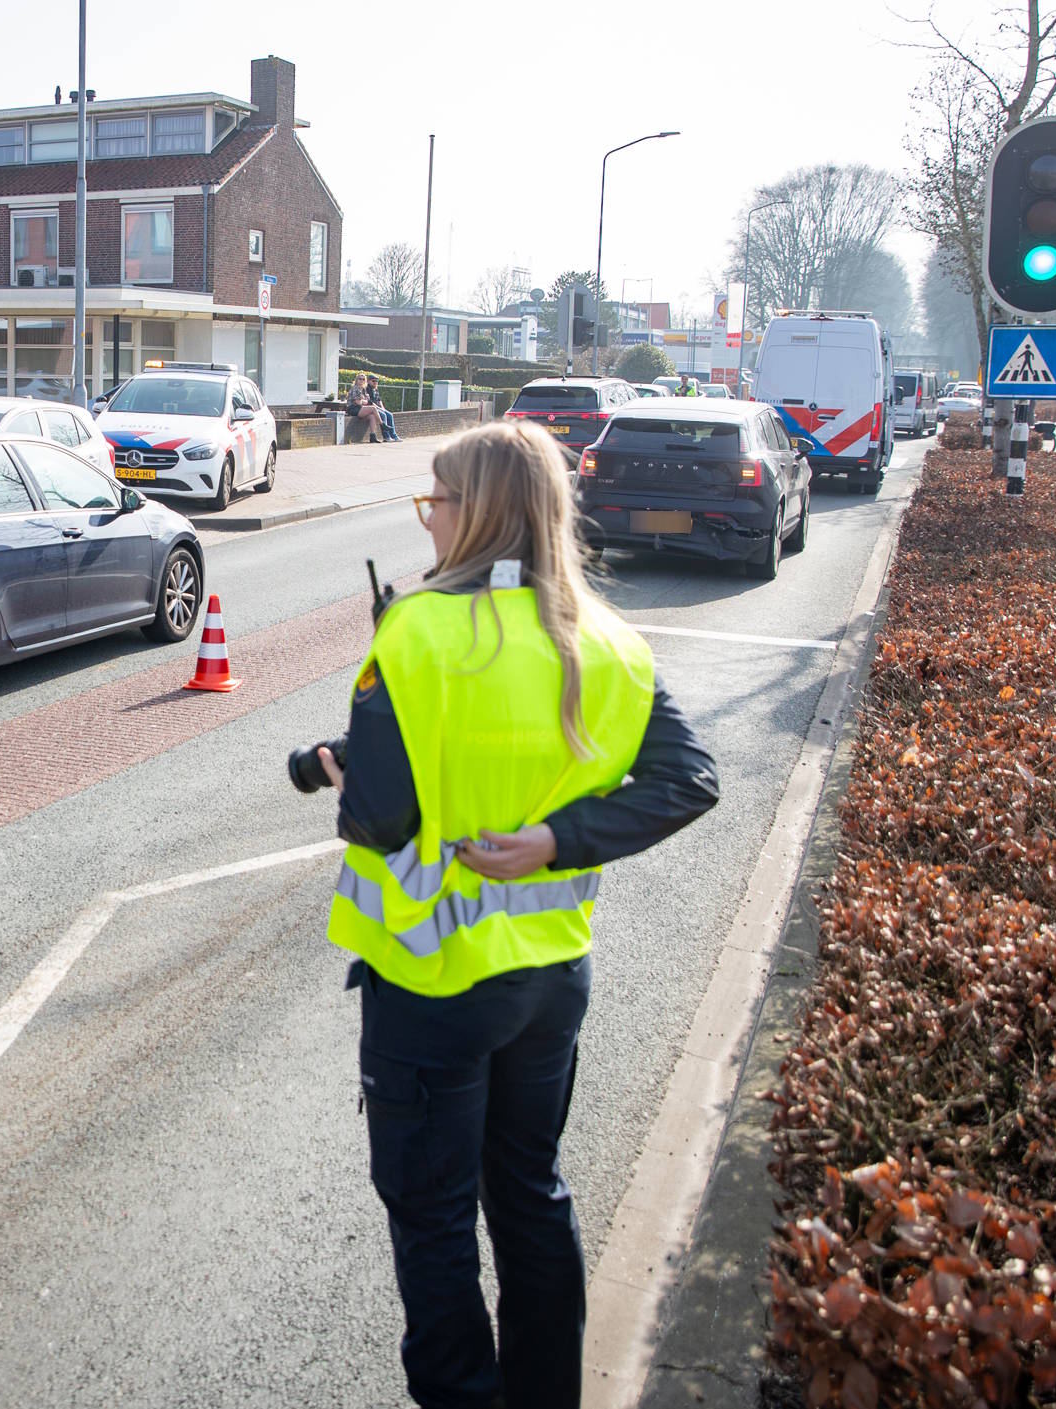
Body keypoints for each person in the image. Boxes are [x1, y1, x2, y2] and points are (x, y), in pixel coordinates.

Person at [315, 421, 719, 1409]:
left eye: (436, 500)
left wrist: (346, 761)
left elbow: (381, 815)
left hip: (432, 986)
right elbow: (690, 778)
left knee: (436, 1217)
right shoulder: (611, 644)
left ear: (478, 512)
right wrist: (554, 839)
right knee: (531, 1196)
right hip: (550, 983)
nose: (429, 516)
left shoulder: (414, 631)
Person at [346, 373, 385, 442]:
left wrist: (364, 401)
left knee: (372, 416)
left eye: (363, 379)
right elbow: (358, 402)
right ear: (356, 380)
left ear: (365, 381)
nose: (361, 380)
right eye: (360, 379)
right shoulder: (355, 388)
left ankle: (373, 436)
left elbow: (367, 400)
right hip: (353, 408)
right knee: (373, 408)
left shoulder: (363, 389)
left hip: (360, 408)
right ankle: (382, 425)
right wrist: (365, 401)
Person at [366, 375, 402, 442]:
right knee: (383, 415)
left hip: (378, 408)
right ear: (368, 381)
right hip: (372, 408)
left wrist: (383, 409)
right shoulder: (367, 389)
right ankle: (386, 436)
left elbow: (379, 401)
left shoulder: (375, 389)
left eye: (377, 381)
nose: (375, 383)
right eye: (373, 381)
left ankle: (394, 435)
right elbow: (369, 402)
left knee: (389, 414)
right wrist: (380, 410)